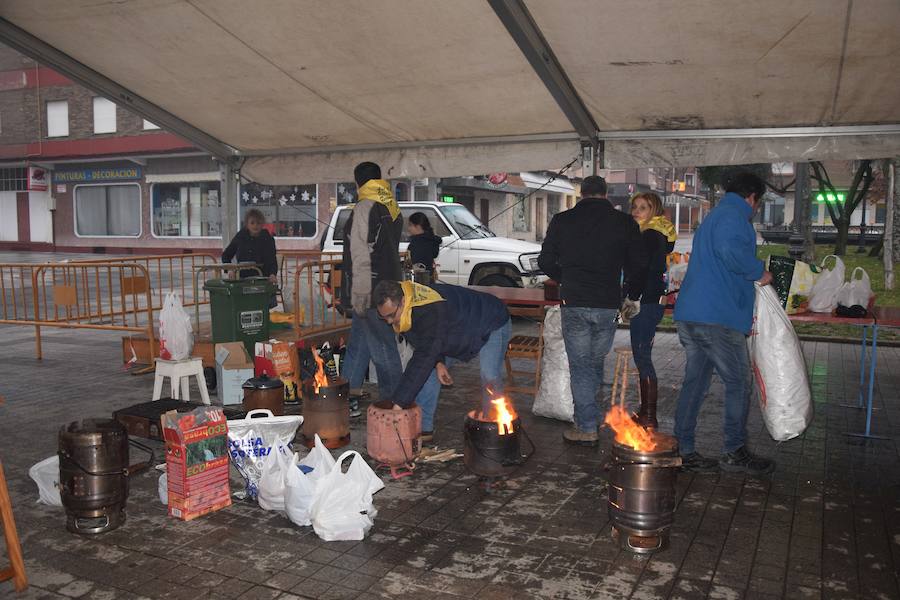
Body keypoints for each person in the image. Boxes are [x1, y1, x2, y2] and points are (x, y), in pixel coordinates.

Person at [672, 171, 775, 475]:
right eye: (757, 203)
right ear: (752, 197)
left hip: (693, 313)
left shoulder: (716, 214)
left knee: (696, 382)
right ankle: (734, 451)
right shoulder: (734, 216)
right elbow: (730, 252)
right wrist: (759, 272)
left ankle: (683, 449)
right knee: (738, 383)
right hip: (717, 317)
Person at [538, 175, 647, 446]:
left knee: (581, 366)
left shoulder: (562, 220)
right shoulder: (625, 223)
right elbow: (639, 264)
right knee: (594, 362)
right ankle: (589, 416)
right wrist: (631, 295)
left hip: (574, 302)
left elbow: (545, 261)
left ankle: (586, 426)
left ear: (582, 193)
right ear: (605, 194)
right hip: (609, 305)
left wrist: (566, 277)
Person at [372, 280, 511, 440]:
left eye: (391, 315)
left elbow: (423, 357)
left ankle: (495, 431)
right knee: (430, 371)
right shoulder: (407, 310)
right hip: (458, 330)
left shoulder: (430, 309)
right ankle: (423, 430)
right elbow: (424, 343)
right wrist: (438, 363)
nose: (389, 321)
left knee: (490, 377)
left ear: (403, 301)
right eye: (384, 317)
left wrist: (398, 405)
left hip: (492, 319)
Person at [339, 162, 404, 417]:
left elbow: (360, 254)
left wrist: (360, 295)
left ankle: (394, 401)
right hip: (388, 284)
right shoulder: (391, 205)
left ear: (358, 183)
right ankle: (347, 397)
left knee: (383, 347)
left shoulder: (365, 206)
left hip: (371, 291)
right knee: (359, 344)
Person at [628, 193, 676, 429]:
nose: (637, 211)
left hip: (645, 302)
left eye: (643, 208)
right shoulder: (658, 234)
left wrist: (632, 297)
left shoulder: (649, 236)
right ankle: (645, 411)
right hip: (653, 301)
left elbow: (640, 270)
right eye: (635, 207)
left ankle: (648, 415)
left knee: (642, 357)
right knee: (642, 355)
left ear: (653, 211)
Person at [222, 209, 278, 283]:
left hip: (262, 278)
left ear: (262, 224)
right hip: (241, 279)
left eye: (258, 223)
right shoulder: (240, 236)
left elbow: (272, 260)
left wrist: (272, 274)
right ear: (247, 224)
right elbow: (226, 255)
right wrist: (230, 269)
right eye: (252, 223)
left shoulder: (268, 239)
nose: (255, 226)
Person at [406, 212, 441, 282]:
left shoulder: (417, 243)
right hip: (429, 280)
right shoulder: (432, 240)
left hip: (418, 281)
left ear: (418, 227)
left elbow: (414, 262)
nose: (408, 228)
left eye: (410, 225)